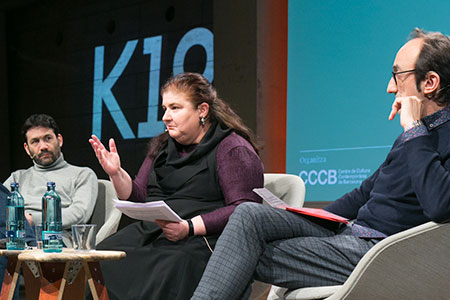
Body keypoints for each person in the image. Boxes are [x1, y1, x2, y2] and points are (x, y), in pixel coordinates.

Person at [191, 28, 450, 300]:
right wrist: (304, 218)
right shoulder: (413, 137)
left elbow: (439, 204)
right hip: (351, 234)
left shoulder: (419, 134)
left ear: (430, 82)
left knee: (241, 253)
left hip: (381, 253)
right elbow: (365, 194)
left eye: (398, 75)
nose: (390, 87)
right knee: (247, 214)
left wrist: (413, 128)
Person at [89, 72, 264, 300]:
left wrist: (189, 227)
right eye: (165, 108)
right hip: (155, 232)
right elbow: (138, 196)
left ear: (202, 110)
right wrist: (116, 173)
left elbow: (245, 209)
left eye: (175, 108)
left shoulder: (231, 148)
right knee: (101, 257)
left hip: (205, 239)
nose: (165, 117)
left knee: (170, 266)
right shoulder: (162, 145)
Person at [3, 114, 98, 246]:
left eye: (48, 138)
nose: (43, 146)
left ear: (59, 140)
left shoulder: (82, 174)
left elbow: (79, 214)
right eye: (35, 141)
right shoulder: (17, 178)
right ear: (27, 148)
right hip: (16, 238)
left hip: (55, 239)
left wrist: (29, 221)